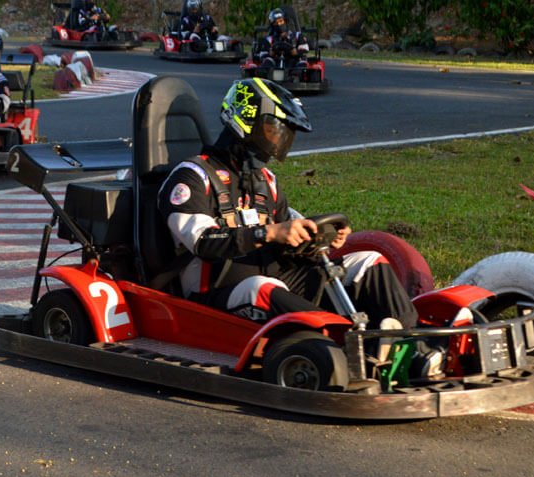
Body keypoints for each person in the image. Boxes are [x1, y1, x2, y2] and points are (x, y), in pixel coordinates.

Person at [157, 78, 422, 330]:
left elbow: (286, 243)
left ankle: (405, 339)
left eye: (283, 134)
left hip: (275, 278)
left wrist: (319, 238)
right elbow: (203, 242)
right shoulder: (193, 176)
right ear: (246, 122)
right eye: (273, 131)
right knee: (263, 289)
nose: (279, 141)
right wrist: (269, 232)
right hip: (213, 292)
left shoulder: (265, 181)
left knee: (368, 261)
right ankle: (338, 343)